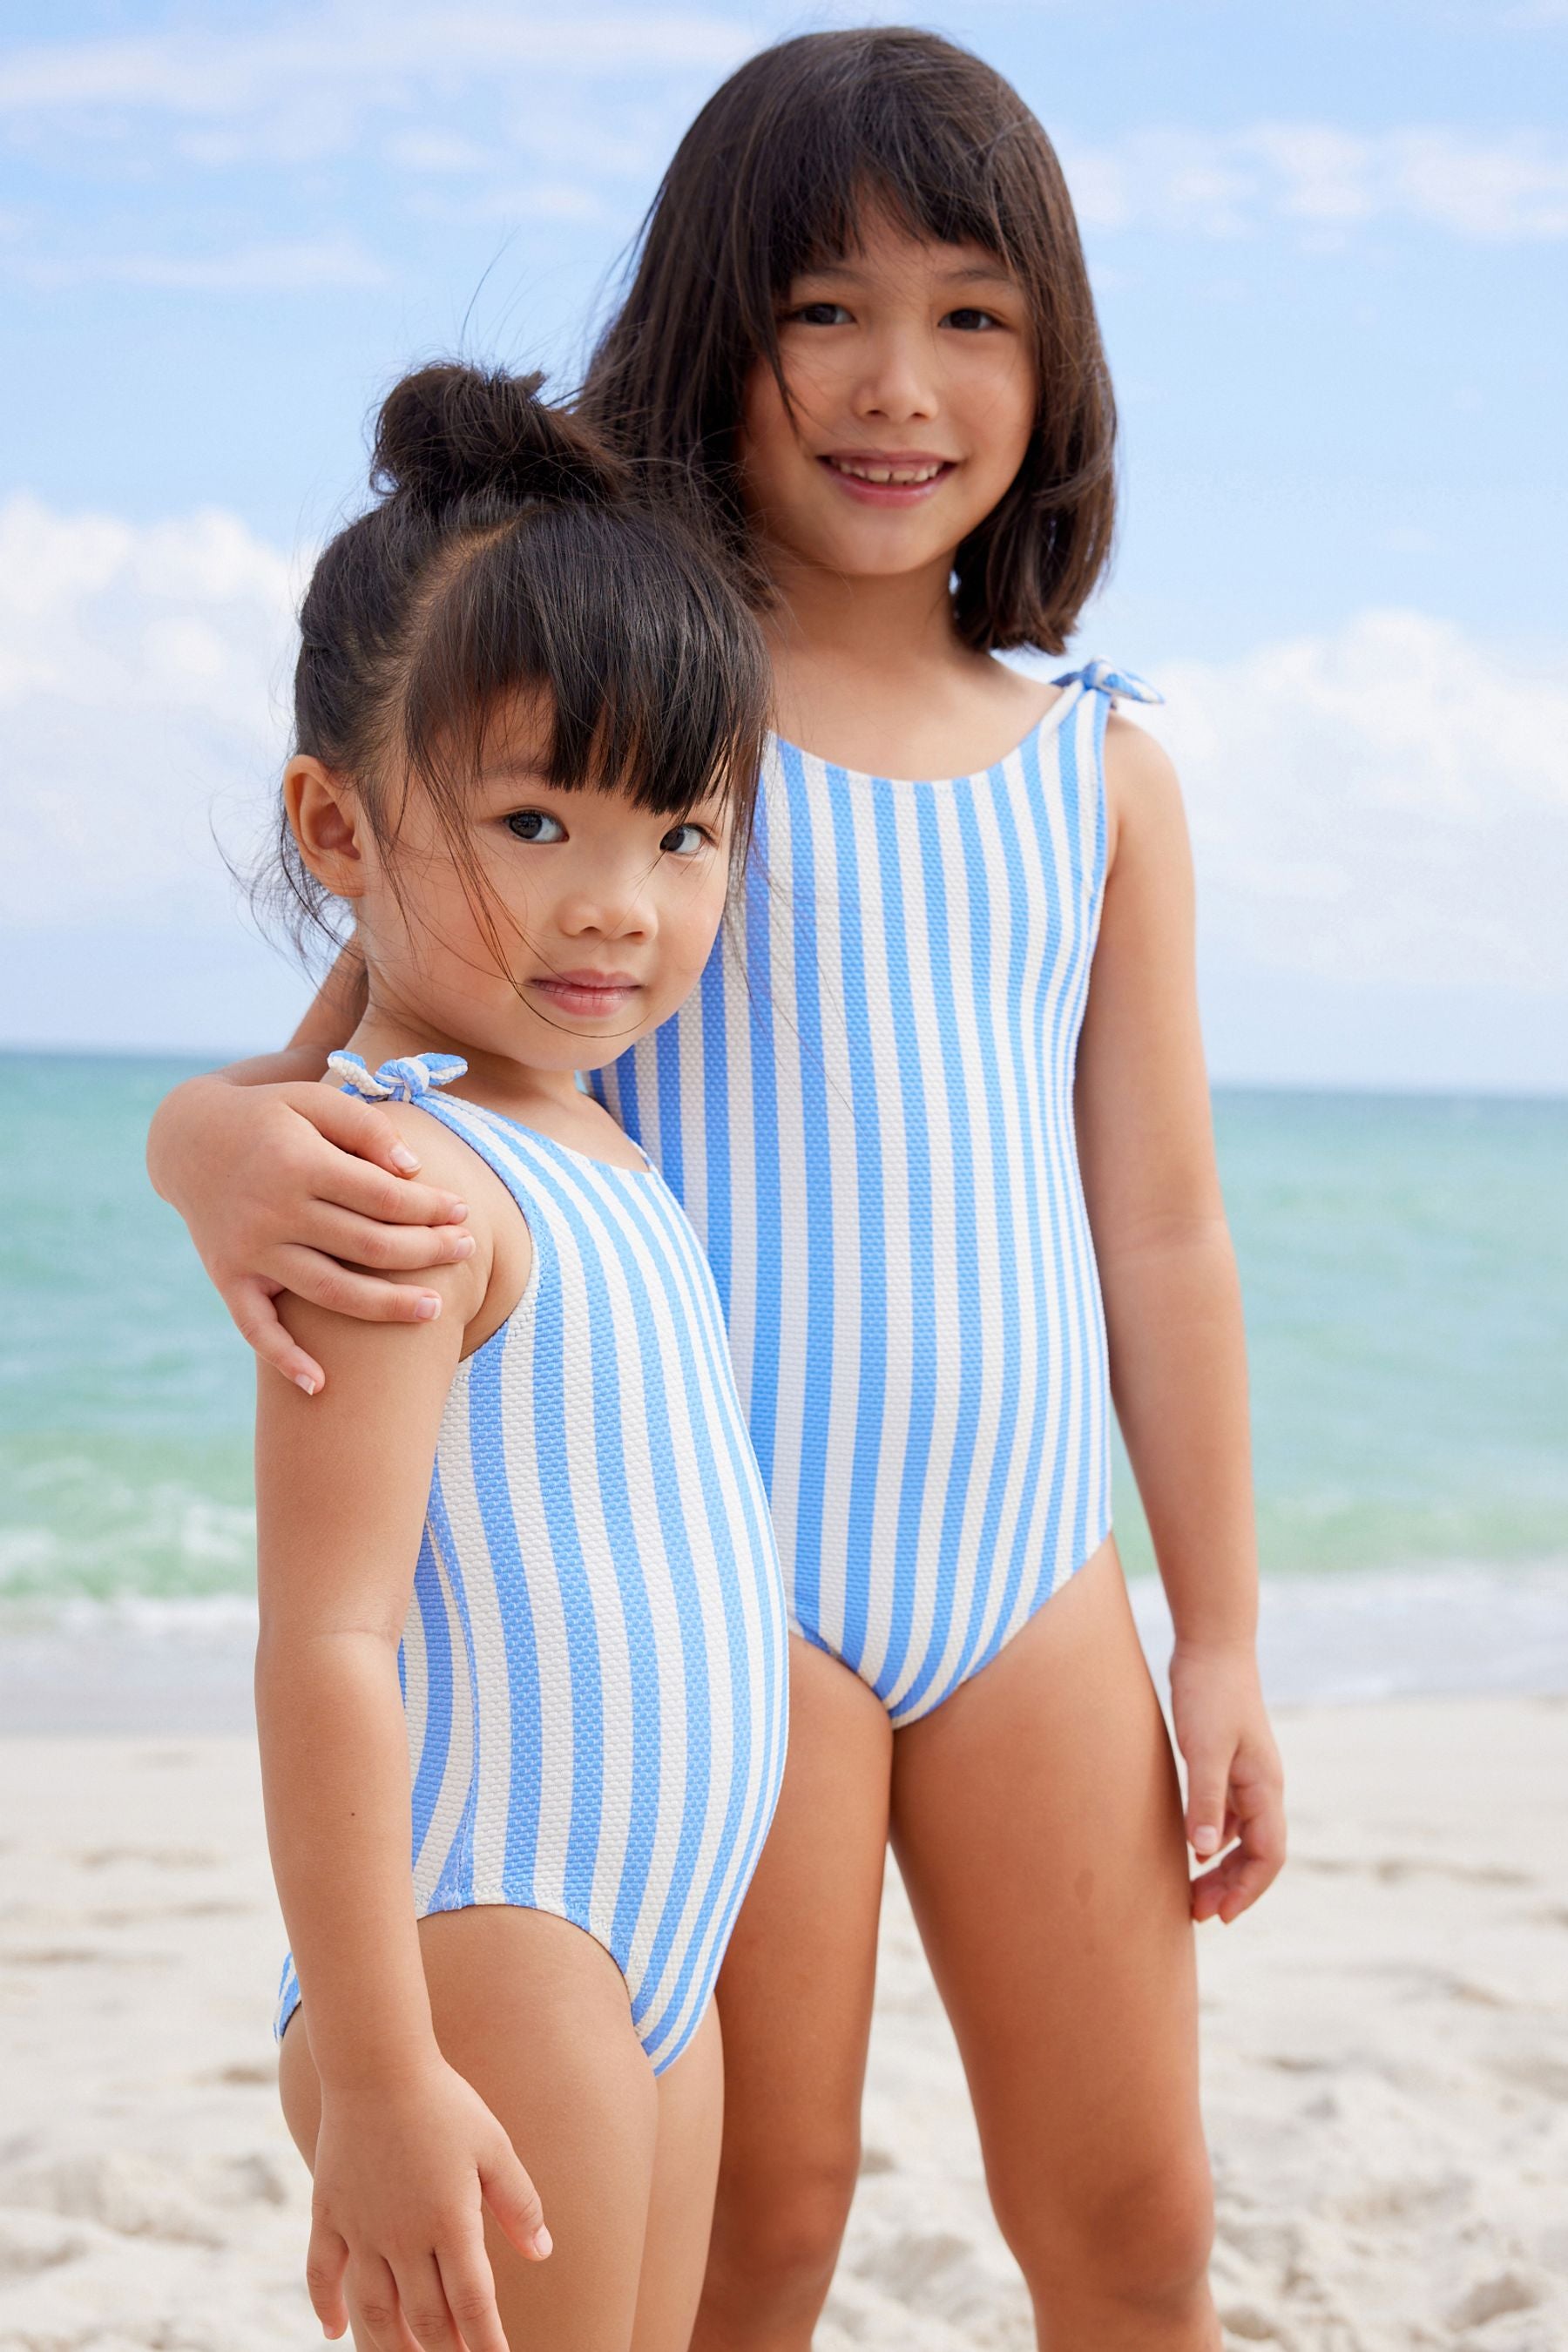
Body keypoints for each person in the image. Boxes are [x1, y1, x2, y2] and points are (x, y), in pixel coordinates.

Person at [149, 29, 1287, 2349]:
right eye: (822, 309)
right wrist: (200, 1146)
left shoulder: (1100, 772)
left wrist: (1227, 1624)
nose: (898, 383)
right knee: (758, 2225)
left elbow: (1162, 1222)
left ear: (1050, 364)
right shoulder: (633, 708)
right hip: (726, 1590)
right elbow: (328, 1069)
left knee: (1141, 2221)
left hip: (1025, 1573)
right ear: (714, 331)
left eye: (972, 313)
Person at [237, 362, 787, 2351]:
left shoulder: (598, 1140)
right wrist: (383, 2075)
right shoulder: (399, 1184)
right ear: (339, 824)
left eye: (682, 833)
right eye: (535, 815)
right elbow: (328, 1643)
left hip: (656, 1945)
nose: (613, 905)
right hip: (492, 1937)